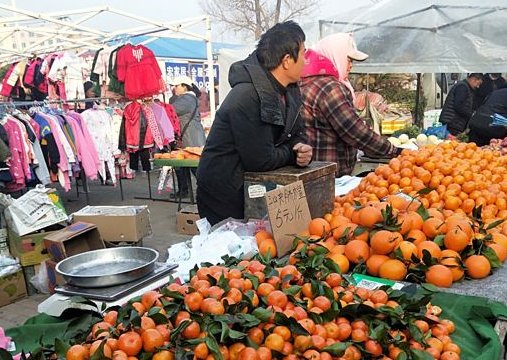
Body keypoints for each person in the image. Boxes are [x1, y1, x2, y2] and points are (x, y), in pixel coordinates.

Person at [196, 21, 313, 225]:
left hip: (253, 189)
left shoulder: (288, 91)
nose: (305, 60)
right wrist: (293, 154)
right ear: (287, 60)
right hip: (225, 194)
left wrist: (302, 148)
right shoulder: (247, 96)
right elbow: (260, 160)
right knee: (234, 254)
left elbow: (297, 133)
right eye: (303, 53)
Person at [299, 33, 397, 177]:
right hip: (331, 174)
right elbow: (354, 130)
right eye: (348, 59)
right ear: (334, 55)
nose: (351, 65)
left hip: (313, 171)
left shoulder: (306, 80)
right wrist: (393, 151)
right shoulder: (329, 88)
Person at [168, 75, 206, 198]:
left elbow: (171, 110)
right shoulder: (188, 98)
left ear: (184, 86)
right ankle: (184, 190)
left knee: (194, 166)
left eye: (177, 86)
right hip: (189, 136)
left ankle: (204, 191)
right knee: (182, 165)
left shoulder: (187, 99)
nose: (175, 89)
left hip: (191, 137)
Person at [468, 76, 507, 146]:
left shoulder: (496, 91)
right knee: (490, 153)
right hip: (495, 129)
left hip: (477, 124)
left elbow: (483, 104)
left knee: (472, 151)